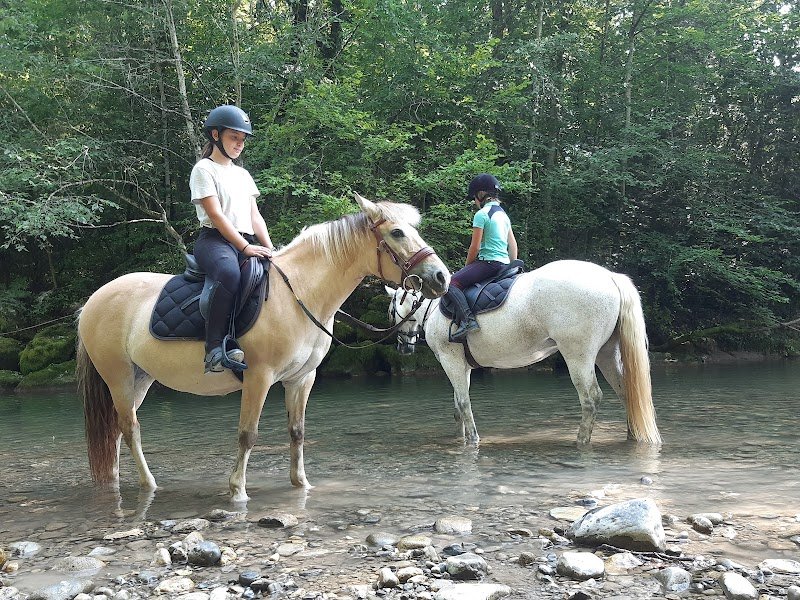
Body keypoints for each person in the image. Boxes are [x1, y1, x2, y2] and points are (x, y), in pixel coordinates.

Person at [190, 104, 275, 373]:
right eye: (233, 138)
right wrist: (245, 246)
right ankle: (214, 347)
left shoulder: (243, 174)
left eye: (242, 140)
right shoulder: (204, 169)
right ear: (215, 136)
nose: (239, 144)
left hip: (246, 239)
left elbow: (255, 216)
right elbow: (215, 215)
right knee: (229, 273)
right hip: (214, 241)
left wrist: (271, 249)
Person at [446, 173, 518, 342]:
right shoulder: (504, 215)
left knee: (451, 283)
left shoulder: (482, 215)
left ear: (480, 195)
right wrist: (512, 267)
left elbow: (475, 247)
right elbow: (513, 246)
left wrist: (466, 266)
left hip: (488, 263)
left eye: (474, 197)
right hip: (504, 265)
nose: (474, 202)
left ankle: (468, 320)